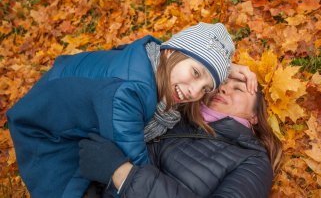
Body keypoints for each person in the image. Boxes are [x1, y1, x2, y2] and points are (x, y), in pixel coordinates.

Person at [6, 22, 256, 198]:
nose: (194, 91)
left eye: (205, 88)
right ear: (171, 52)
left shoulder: (149, 58)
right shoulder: (129, 93)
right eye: (195, 74)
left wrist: (222, 68)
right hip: (47, 137)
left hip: (66, 112)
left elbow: (184, 52)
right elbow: (134, 165)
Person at [79, 77, 283, 198]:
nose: (223, 88)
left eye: (237, 88)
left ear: (255, 116)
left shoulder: (253, 160)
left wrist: (122, 174)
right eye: (222, 82)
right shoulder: (175, 112)